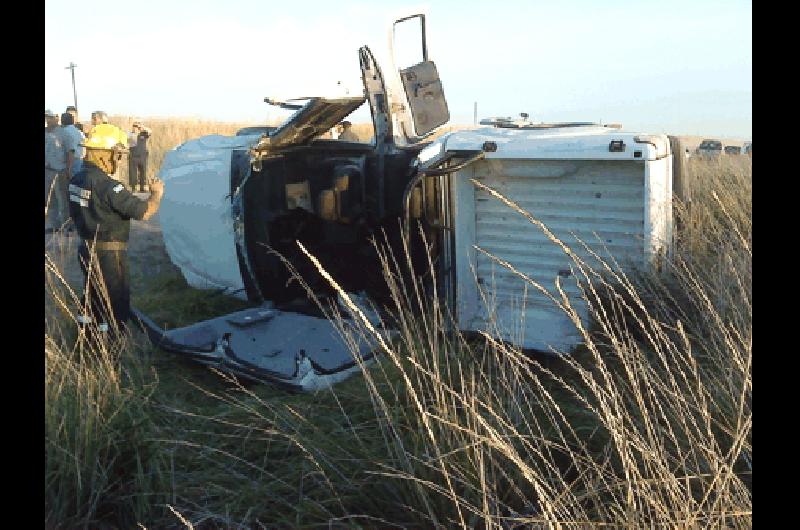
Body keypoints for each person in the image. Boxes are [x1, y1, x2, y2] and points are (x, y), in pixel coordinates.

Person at [69, 124, 165, 344]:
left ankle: (86, 340)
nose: (118, 160)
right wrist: (156, 194)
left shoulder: (76, 179)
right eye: (116, 154)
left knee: (91, 295)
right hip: (109, 255)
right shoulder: (109, 186)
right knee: (115, 301)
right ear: (105, 154)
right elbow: (144, 212)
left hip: (86, 249)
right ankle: (113, 347)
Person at [45, 109, 68, 231]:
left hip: (60, 170)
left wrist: (68, 170)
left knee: (62, 199)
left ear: (56, 118)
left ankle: (65, 225)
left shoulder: (63, 133)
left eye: (50, 117)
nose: (48, 120)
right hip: (47, 171)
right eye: (46, 117)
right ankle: (52, 226)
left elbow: (70, 152)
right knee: (49, 199)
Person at [128, 121, 152, 192]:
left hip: (143, 156)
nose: (135, 128)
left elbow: (150, 131)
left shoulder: (143, 134)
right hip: (133, 156)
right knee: (133, 172)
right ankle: (133, 188)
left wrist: (142, 127)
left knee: (143, 172)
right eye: (134, 126)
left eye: (137, 127)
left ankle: (142, 187)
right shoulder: (130, 135)